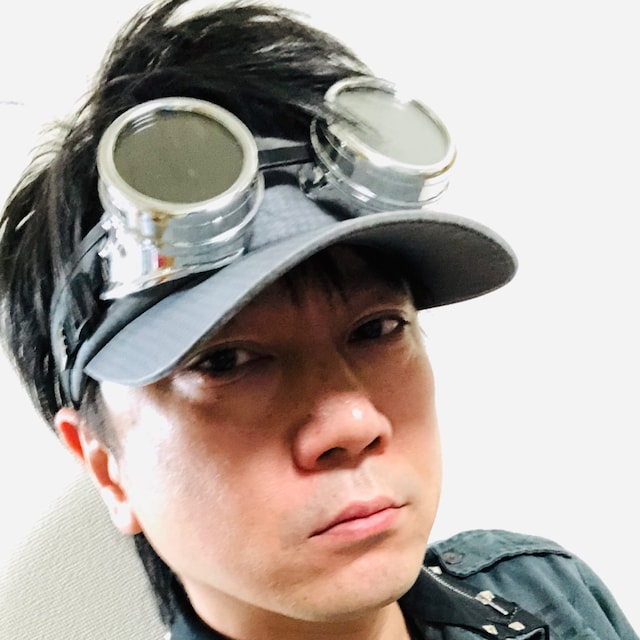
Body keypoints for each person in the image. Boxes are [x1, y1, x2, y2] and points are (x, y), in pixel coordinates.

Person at [0, 0, 636, 638]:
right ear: (106, 467)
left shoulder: (549, 593)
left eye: (377, 329)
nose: (353, 424)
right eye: (224, 361)